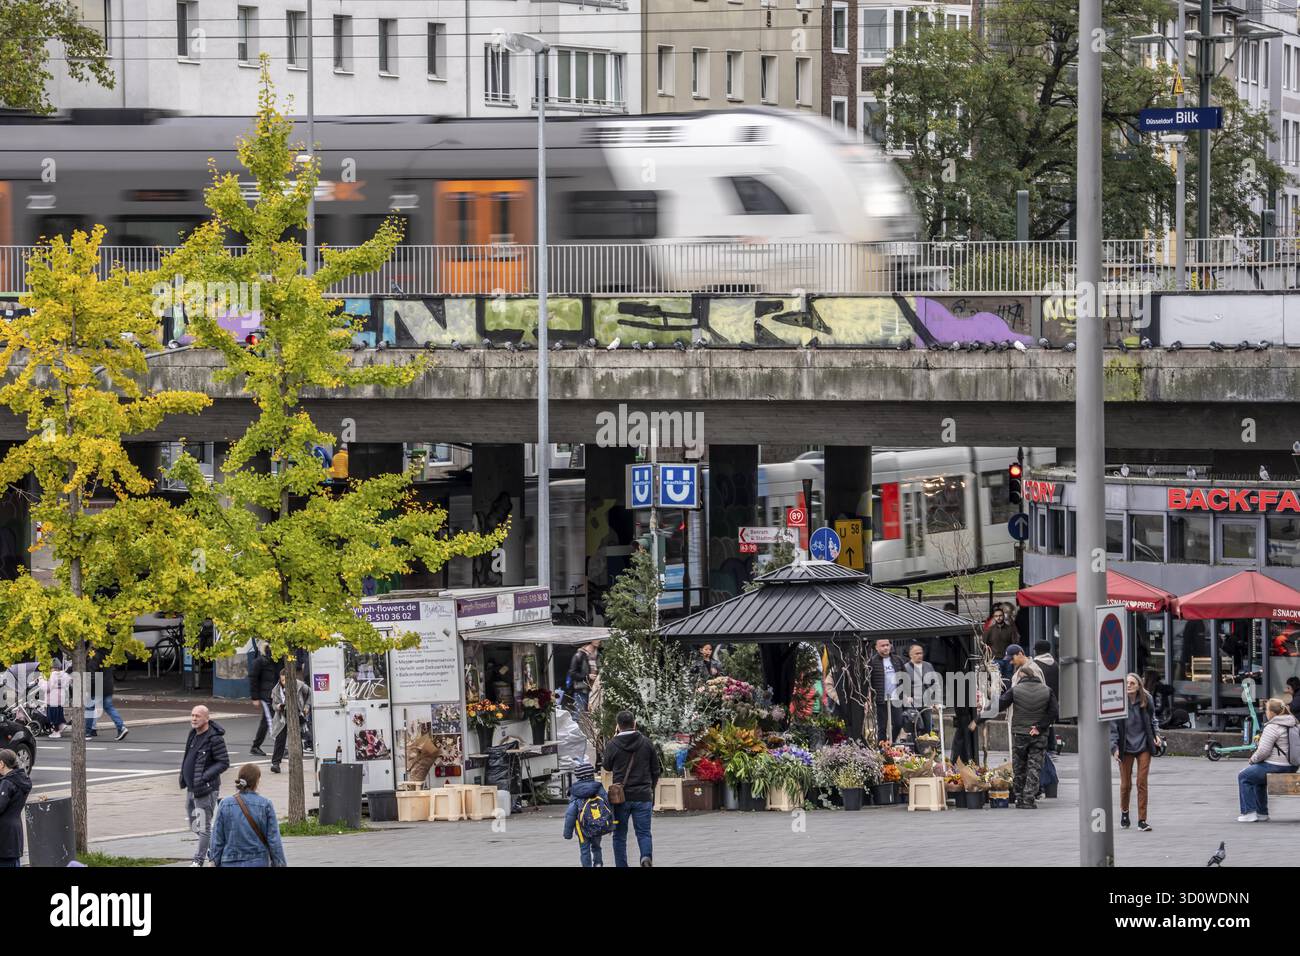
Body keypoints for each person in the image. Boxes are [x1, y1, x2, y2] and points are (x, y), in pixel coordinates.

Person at [997, 651, 1057, 809]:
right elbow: (1053, 712)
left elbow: (1001, 703)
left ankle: (1019, 798)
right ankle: (1029, 798)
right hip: (1037, 732)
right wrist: (1040, 727)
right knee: (1034, 766)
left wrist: (980, 716)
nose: (1011, 662)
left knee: (1019, 766)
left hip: (1020, 732)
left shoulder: (1018, 687)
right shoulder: (1046, 690)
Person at [603, 709, 660, 868]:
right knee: (643, 833)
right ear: (634, 723)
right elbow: (656, 770)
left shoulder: (613, 744)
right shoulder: (646, 742)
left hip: (620, 797)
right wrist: (650, 787)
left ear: (618, 726)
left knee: (619, 835)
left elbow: (606, 766)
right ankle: (645, 857)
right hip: (643, 795)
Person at [1109, 672, 1161, 832]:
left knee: (1141, 782)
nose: (1129, 685)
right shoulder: (1118, 702)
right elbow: (1112, 727)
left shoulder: (1147, 699)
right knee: (1125, 785)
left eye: (1132, 683)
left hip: (1144, 745)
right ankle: (1125, 813)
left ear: (1139, 685)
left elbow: (1153, 719)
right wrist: (1114, 748)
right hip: (1125, 747)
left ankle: (1142, 820)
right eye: (1127, 683)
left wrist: (1156, 734)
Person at [179, 704, 230, 867]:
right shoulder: (192, 734)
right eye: (192, 715)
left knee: (203, 826)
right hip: (191, 787)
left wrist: (204, 777)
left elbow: (223, 762)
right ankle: (213, 851)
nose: (194, 718)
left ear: (206, 718)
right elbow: (188, 755)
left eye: (197, 716)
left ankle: (198, 860)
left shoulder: (215, 738)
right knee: (194, 823)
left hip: (206, 789)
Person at [208, 763, 286, 867]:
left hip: (229, 861)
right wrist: (279, 863)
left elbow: (217, 838)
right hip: (258, 861)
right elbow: (274, 839)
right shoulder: (265, 804)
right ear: (257, 782)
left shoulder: (225, 804)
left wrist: (213, 860)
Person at [1236, 697, 1300, 823]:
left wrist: (1252, 760)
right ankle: (1261, 813)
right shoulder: (1295, 724)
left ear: (1272, 712)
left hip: (1276, 765)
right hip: (1293, 765)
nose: (1265, 712)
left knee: (1244, 776)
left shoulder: (1272, 727)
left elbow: (1263, 751)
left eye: (1266, 709)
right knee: (1257, 777)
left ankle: (1248, 812)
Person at [562, 761, 610, 867]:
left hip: (582, 827)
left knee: (584, 849)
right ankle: (598, 863)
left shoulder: (575, 791)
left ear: (578, 776)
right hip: (598, 824)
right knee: (597, 846)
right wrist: (611, 823)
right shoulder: (598, 787)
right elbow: (607, 805)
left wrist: (567, 832)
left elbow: (571, 813)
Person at [866, 638, 907, 743]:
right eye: (882, 645)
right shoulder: (872, 662)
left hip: (896, 697)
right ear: (877, 647)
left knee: (898, 723)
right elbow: (868, 681)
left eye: (887, 645)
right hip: (881, 698)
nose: (885, 648)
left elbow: (905, 677)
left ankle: (890, 743)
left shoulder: (897, 660)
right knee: (882, 726)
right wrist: (868, 697)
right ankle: (882, 749)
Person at [270, 670, 311, 773]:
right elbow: (274, 705)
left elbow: (310, 693)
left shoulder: (299, 685)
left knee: (297, 738)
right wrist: (279, 706)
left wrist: (307, 706)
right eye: (282, 680)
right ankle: (275, 763)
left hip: (296, 715)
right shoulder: (276, 690)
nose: (284, 682)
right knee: (280, 739)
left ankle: (298, 762)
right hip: (282, 717)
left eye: (286, 680)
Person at [85, 650, 128, 741]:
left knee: (89, 708)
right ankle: (121, 727)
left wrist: (89, 687)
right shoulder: (108, 653)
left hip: (97, 685)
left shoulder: (94, 655)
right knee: (109, 707)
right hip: (108, 684)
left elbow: (92, 673)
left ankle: (87, 732)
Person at [0, 749, 32, 868]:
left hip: (4, 835)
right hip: (14, 832)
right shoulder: (21, 780)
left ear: (2, 764)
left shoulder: (7, 783)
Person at [901, 643, 937, 738]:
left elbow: (935, 684)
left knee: (928, 727)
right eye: (916, 653)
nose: (919, 655)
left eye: (921, 653)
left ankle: (928, 749)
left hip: (926, 702)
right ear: (911, 655)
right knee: (915, 728)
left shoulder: (928, 666)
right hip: (913, 703)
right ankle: (916, 750)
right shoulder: (905, 668)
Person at [248, 643, 278, 757]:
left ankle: (255, 746)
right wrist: (255, 697)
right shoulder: (260, 662)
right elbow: (253, 679)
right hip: (266, 695)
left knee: (266, 722)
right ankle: (278, 747)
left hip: (271, 694)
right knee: (271, 721)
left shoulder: (273, 661)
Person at [983, 607, 1020, 684]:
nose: (998, 618)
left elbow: (1015, 645)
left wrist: (1014, 659)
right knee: (996, 683)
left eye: (1000, 615)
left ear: (1003, 616)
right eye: (996, 616)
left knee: (1008, 681)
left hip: (1008, 659)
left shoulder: (1010, 629)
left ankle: (1008, 695)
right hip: (994, 660)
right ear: (994, 617)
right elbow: (985, 645)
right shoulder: (990, 630)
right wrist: (986, 660)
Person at [566, 641, 599, 715]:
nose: (593, 649)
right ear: (586, 645)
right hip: (581, 689)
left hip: (593, 690)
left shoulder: (595, 657)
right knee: (579, 714)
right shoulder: (579, 656)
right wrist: (587, 676)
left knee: (591, 714)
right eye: (592, 647)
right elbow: (572, 673)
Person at [42, 657, 71, 739]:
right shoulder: (64, 675)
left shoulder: (52, 675)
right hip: (60, 698)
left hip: (52, 699)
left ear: (52, 667)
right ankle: (62, 725)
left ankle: (56, 731)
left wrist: (41, 681)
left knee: (52, 717)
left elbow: (47, 687)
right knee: (59, 714)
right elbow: (67, 684)